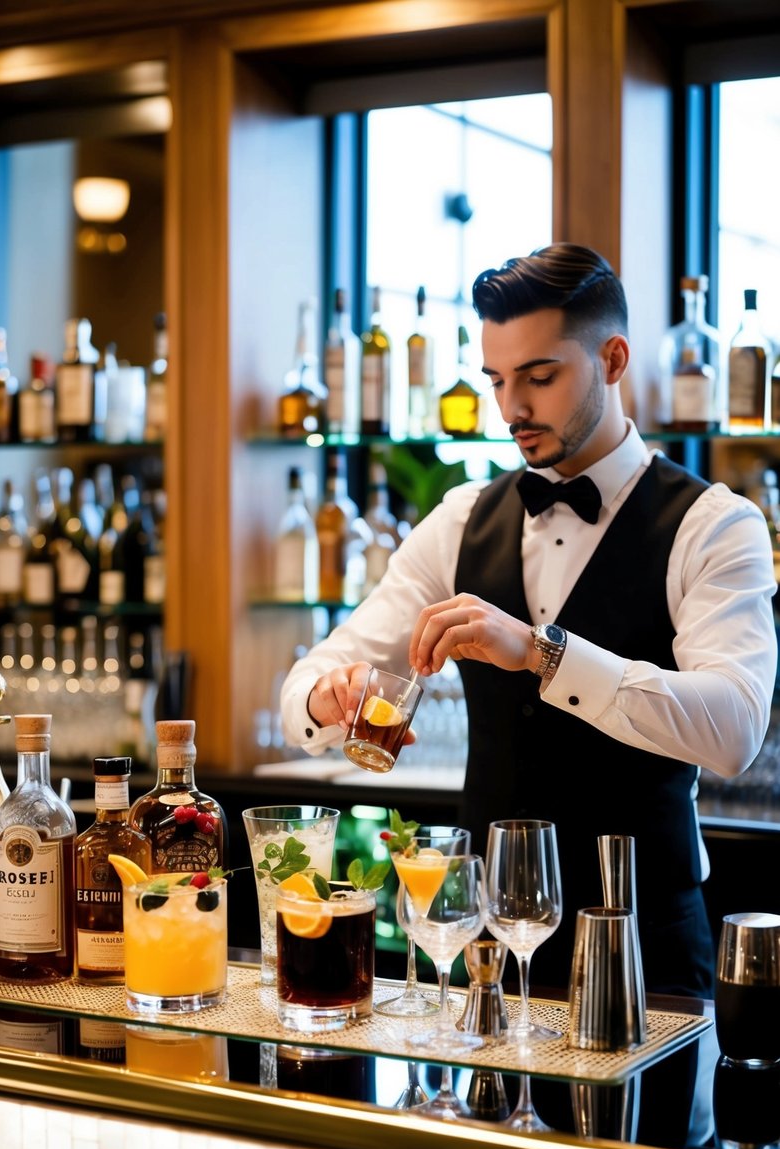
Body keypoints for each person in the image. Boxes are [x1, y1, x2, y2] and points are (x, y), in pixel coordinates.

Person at [280, 243, 777, 998]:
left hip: (645, 948)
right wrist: (330, 695)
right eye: (497, 380)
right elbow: (305, 687)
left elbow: (734, 729)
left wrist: (544, 655)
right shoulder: (459, 520)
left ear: (612, 359)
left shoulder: (713, 526)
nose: (511, 408)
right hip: (484, 948)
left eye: (540, 377)